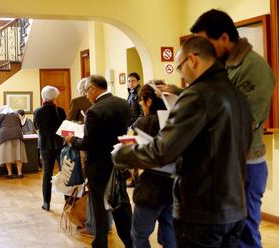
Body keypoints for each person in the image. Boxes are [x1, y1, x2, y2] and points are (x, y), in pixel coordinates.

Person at [112, 37, 253, 247]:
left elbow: (162, 150)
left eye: (179, 67)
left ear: (193, 59)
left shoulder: (197, 95)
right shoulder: (236, 94)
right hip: (235, 205)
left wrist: (122, 154)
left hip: (202, 209)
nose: (181, 74)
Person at [190, 9, 276, 247]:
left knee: (245, 234)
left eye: (206, 42)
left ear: (225, 38)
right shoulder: (220, 67)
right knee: (225, 235)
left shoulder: (254, 68)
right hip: (222, 164)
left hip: (245, 166)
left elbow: (244, 121)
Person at [66, 75, 133, 248]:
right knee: (120, 202)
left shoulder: (95, 111)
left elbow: (88, 144)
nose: (86, 95)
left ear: (93, 89)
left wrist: (72, 139)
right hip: (117, 162)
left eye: (86, 91)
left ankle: (101, 242)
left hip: (98, 165)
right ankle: (129, 240)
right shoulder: (123, 103)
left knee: (99, 206)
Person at [130, 84, 175, 248]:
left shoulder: (144, 123)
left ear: (148, 101)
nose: (140, 104)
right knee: (169, 234)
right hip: (173, 186)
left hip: (151, 187)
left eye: (141, 101)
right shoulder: (175, 120)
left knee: (139, 234)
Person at [33, 85, 66, 211]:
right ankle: (68, 201)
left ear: (43, 97)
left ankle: (46, 203)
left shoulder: (38, 111)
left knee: (47, 174)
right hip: (60, 145)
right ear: (54, 97)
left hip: (45, 146)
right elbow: (64, 128)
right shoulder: (61, 111)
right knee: (64, 173)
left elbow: (36, 127)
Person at [0, 105, 28, 179]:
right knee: (18, 155)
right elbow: (20, 126)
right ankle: (20, 173)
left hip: (5, 136)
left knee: (7, 155)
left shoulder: (0, 116)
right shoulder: (15, 115)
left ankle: (10, 174)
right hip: (17, 135)